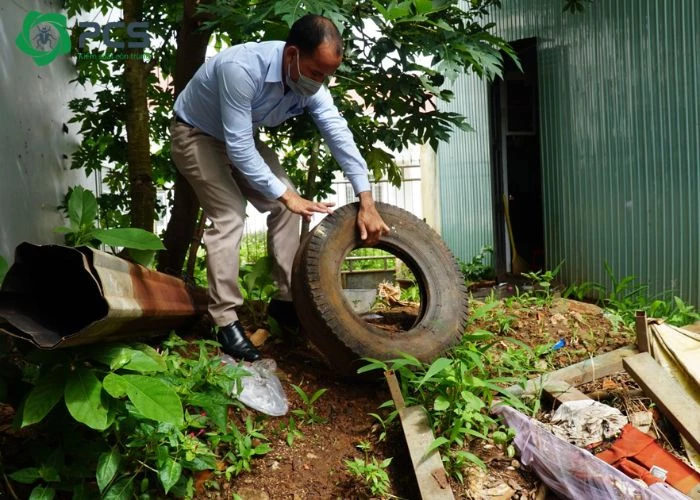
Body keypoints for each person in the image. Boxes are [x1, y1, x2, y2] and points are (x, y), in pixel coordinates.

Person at [171, 14, 390, 361]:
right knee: (230, 216)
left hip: (238, 138)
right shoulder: (240, 68)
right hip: (196, 135)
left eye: (327, 75)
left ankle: (287, 304)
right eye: (317, 72)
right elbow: (240, 147)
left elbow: (338, 133)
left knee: (287, 205)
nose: (321, 82)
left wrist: (366, 199)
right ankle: (224, 320)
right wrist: (287, 196)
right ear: (291, 55)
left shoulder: (311, 83)